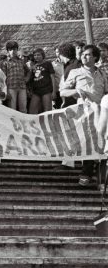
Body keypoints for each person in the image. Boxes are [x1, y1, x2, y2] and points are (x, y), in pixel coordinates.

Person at [59, 44, 108, 189]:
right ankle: (86, 174)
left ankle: (101, 178)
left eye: (87, 55)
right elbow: (62, 92)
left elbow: (106, 93)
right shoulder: (75, 72)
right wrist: (75, 91)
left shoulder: (102, 74)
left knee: (102, 144)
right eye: (83, 54)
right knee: (88, 143)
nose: (84, 57)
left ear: (95, 57)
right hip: (84, 114)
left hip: (101, 114)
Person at [0, 41, 29, 113]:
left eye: (14, 49)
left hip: (22, 87)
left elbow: (28, 71)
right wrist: (6, 91)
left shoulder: (21, 61)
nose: (12, 51)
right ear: (7, 51)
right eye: (10, 50)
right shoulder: (4, 62)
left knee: (23, 108)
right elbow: (3, 78)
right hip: (11, 88)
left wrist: (27, 78)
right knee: (12, 109)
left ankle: (24, 123)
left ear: (17, 50)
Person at [28, 48, 55, 114]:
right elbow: (30, 80)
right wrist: (31, 70)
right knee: (32, 111)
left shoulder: (48, 64)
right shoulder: (33, 66)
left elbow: (52, 77)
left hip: (46, 90)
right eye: (35, 55)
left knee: (47, 112)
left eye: (38, 55)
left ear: (42, 55)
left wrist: (54, 91)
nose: (36, 57)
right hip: (36, 91)